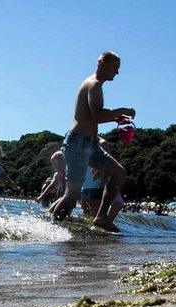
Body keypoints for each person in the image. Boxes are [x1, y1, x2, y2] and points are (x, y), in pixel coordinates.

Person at [49, 51, 135, 232]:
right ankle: (51, 229)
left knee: (118, 173)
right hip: (77, 143)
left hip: (91, 143)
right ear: (102, 63)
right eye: (114, 67)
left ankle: (101, 217)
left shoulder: (96, 85)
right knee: (71, 196)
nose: (117, 72)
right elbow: (97, 115)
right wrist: (122, 111)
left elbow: (94, 116)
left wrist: (116, 118)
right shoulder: (93, 85)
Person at [79, 139, 124, 224]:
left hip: (94, 188)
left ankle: (106, 223)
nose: (107, 152)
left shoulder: (98, 155)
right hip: (89, 188)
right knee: (89, 216)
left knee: (118, 203)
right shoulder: (91, 156)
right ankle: (103, 226)